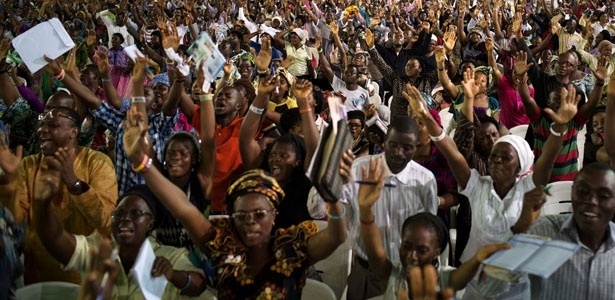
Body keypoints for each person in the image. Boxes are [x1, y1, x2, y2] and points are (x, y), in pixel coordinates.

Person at [121, 105, 348, 298]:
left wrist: (333, 199)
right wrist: (141, 162)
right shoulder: (222, 245)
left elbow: (337, 236)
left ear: (273, 214)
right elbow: (183, 209)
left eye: (259, 214)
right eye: (241, 215)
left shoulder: (292, 248)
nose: (250, 221)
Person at [404, 80, 579, 299]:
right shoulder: (477, 185)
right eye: (495, 156)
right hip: (475, 280)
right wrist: (427, 117)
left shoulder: (528, 187)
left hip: (515, 283)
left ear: (520, 165)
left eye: (506, 158)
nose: (497, 161)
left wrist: (559, 128)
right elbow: (452, 154)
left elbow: (548, 160)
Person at [357, 157, 510, 297]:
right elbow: (376, 252)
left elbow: (460, 278)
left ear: (437, 252)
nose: (412, 256)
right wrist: (365, 210)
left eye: (422, 250)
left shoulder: (442, 279)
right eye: (406, 246)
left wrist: (477, 258)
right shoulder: (393, 275)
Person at [0, 106, 117, 284]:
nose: (42, 130)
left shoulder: (98, 163)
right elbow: (15, 219)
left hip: (83, 278)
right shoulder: (29, 164)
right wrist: (9, 184)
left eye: (52, 125)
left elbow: (105, 222)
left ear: (73, 132)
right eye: (42, 124)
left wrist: (74, 183)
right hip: (38, 275)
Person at [33, 181, 207, 299]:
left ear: (150, 223)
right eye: (119, 214)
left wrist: (173, 275)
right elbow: (55, 239)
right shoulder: (98, 250)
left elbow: (198, 286)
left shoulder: (170, 257)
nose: (125, 219)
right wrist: (42, 204)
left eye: (135, 214)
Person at [42, 55, 178, 196]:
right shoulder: (121, 122)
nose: (138, 95)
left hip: (150, 199)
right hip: (123, 198)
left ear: (155, 105)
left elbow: (172, 106)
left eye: (145, 93)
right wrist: (61, 73)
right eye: (137, 93)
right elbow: (92, 101)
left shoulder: (160, 125)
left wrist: (141, 83)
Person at [521, 163, 615, 299]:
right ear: (572, 193)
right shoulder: (542, 231)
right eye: (583, 191)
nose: (592, 201)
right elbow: (493, 288)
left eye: (604, 196)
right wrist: (519, 228)